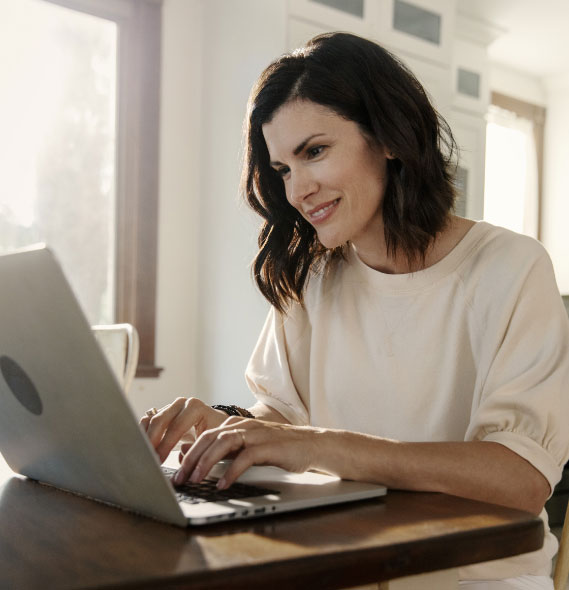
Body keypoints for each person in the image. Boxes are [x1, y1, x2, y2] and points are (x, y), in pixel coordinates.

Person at [141, 32, 569, 589]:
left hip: (472, 574)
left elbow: (521, 477)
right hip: (346, 559)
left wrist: (318, 445)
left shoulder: (511, 267)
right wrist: (224, 430)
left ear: (388, 138)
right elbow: (283, 423)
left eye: (314, 152)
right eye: (283, 169)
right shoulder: (315, 278)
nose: (297, 189)